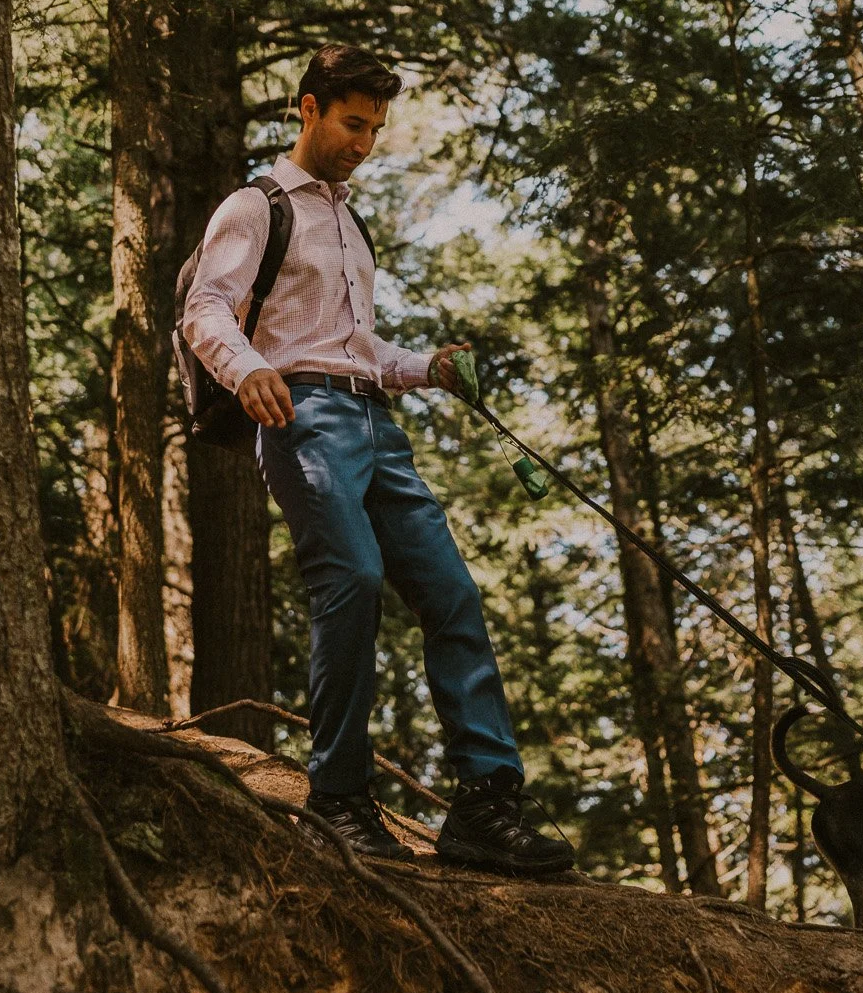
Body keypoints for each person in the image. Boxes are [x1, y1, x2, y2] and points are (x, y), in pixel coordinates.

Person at [181, 44, 573, 875]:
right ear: (309, 108)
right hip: (302, 417)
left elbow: (357, 346)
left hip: (376, 423)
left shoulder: (350, 222)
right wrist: (248, 369)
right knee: (352, 583)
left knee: (450, 591)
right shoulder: (255, 206)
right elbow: (205, 307)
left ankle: (486, 801)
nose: (364, 141)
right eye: (353, 123)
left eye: (375, 128)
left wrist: (425, 366)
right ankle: (338, 798)